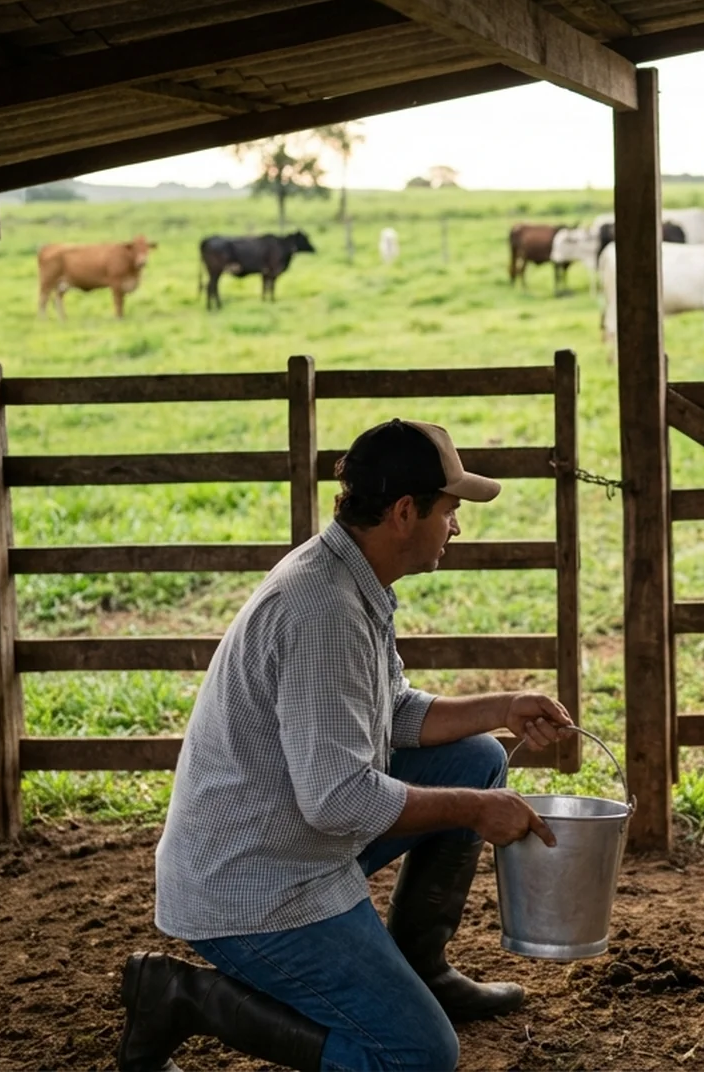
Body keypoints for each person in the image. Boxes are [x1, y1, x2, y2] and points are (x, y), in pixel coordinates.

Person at [117, 418, 575, 1072]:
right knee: (417, 1054)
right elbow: (339, 802)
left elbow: (390, 713)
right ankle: (187, 998)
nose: (457, 527)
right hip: (255, 884)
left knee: (479, 755)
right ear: (405, 512)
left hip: (286, 832)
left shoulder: (350, 577)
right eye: (450, 511)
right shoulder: (324, 612)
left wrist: (500, 708)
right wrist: (474, 810)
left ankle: (423, 969)